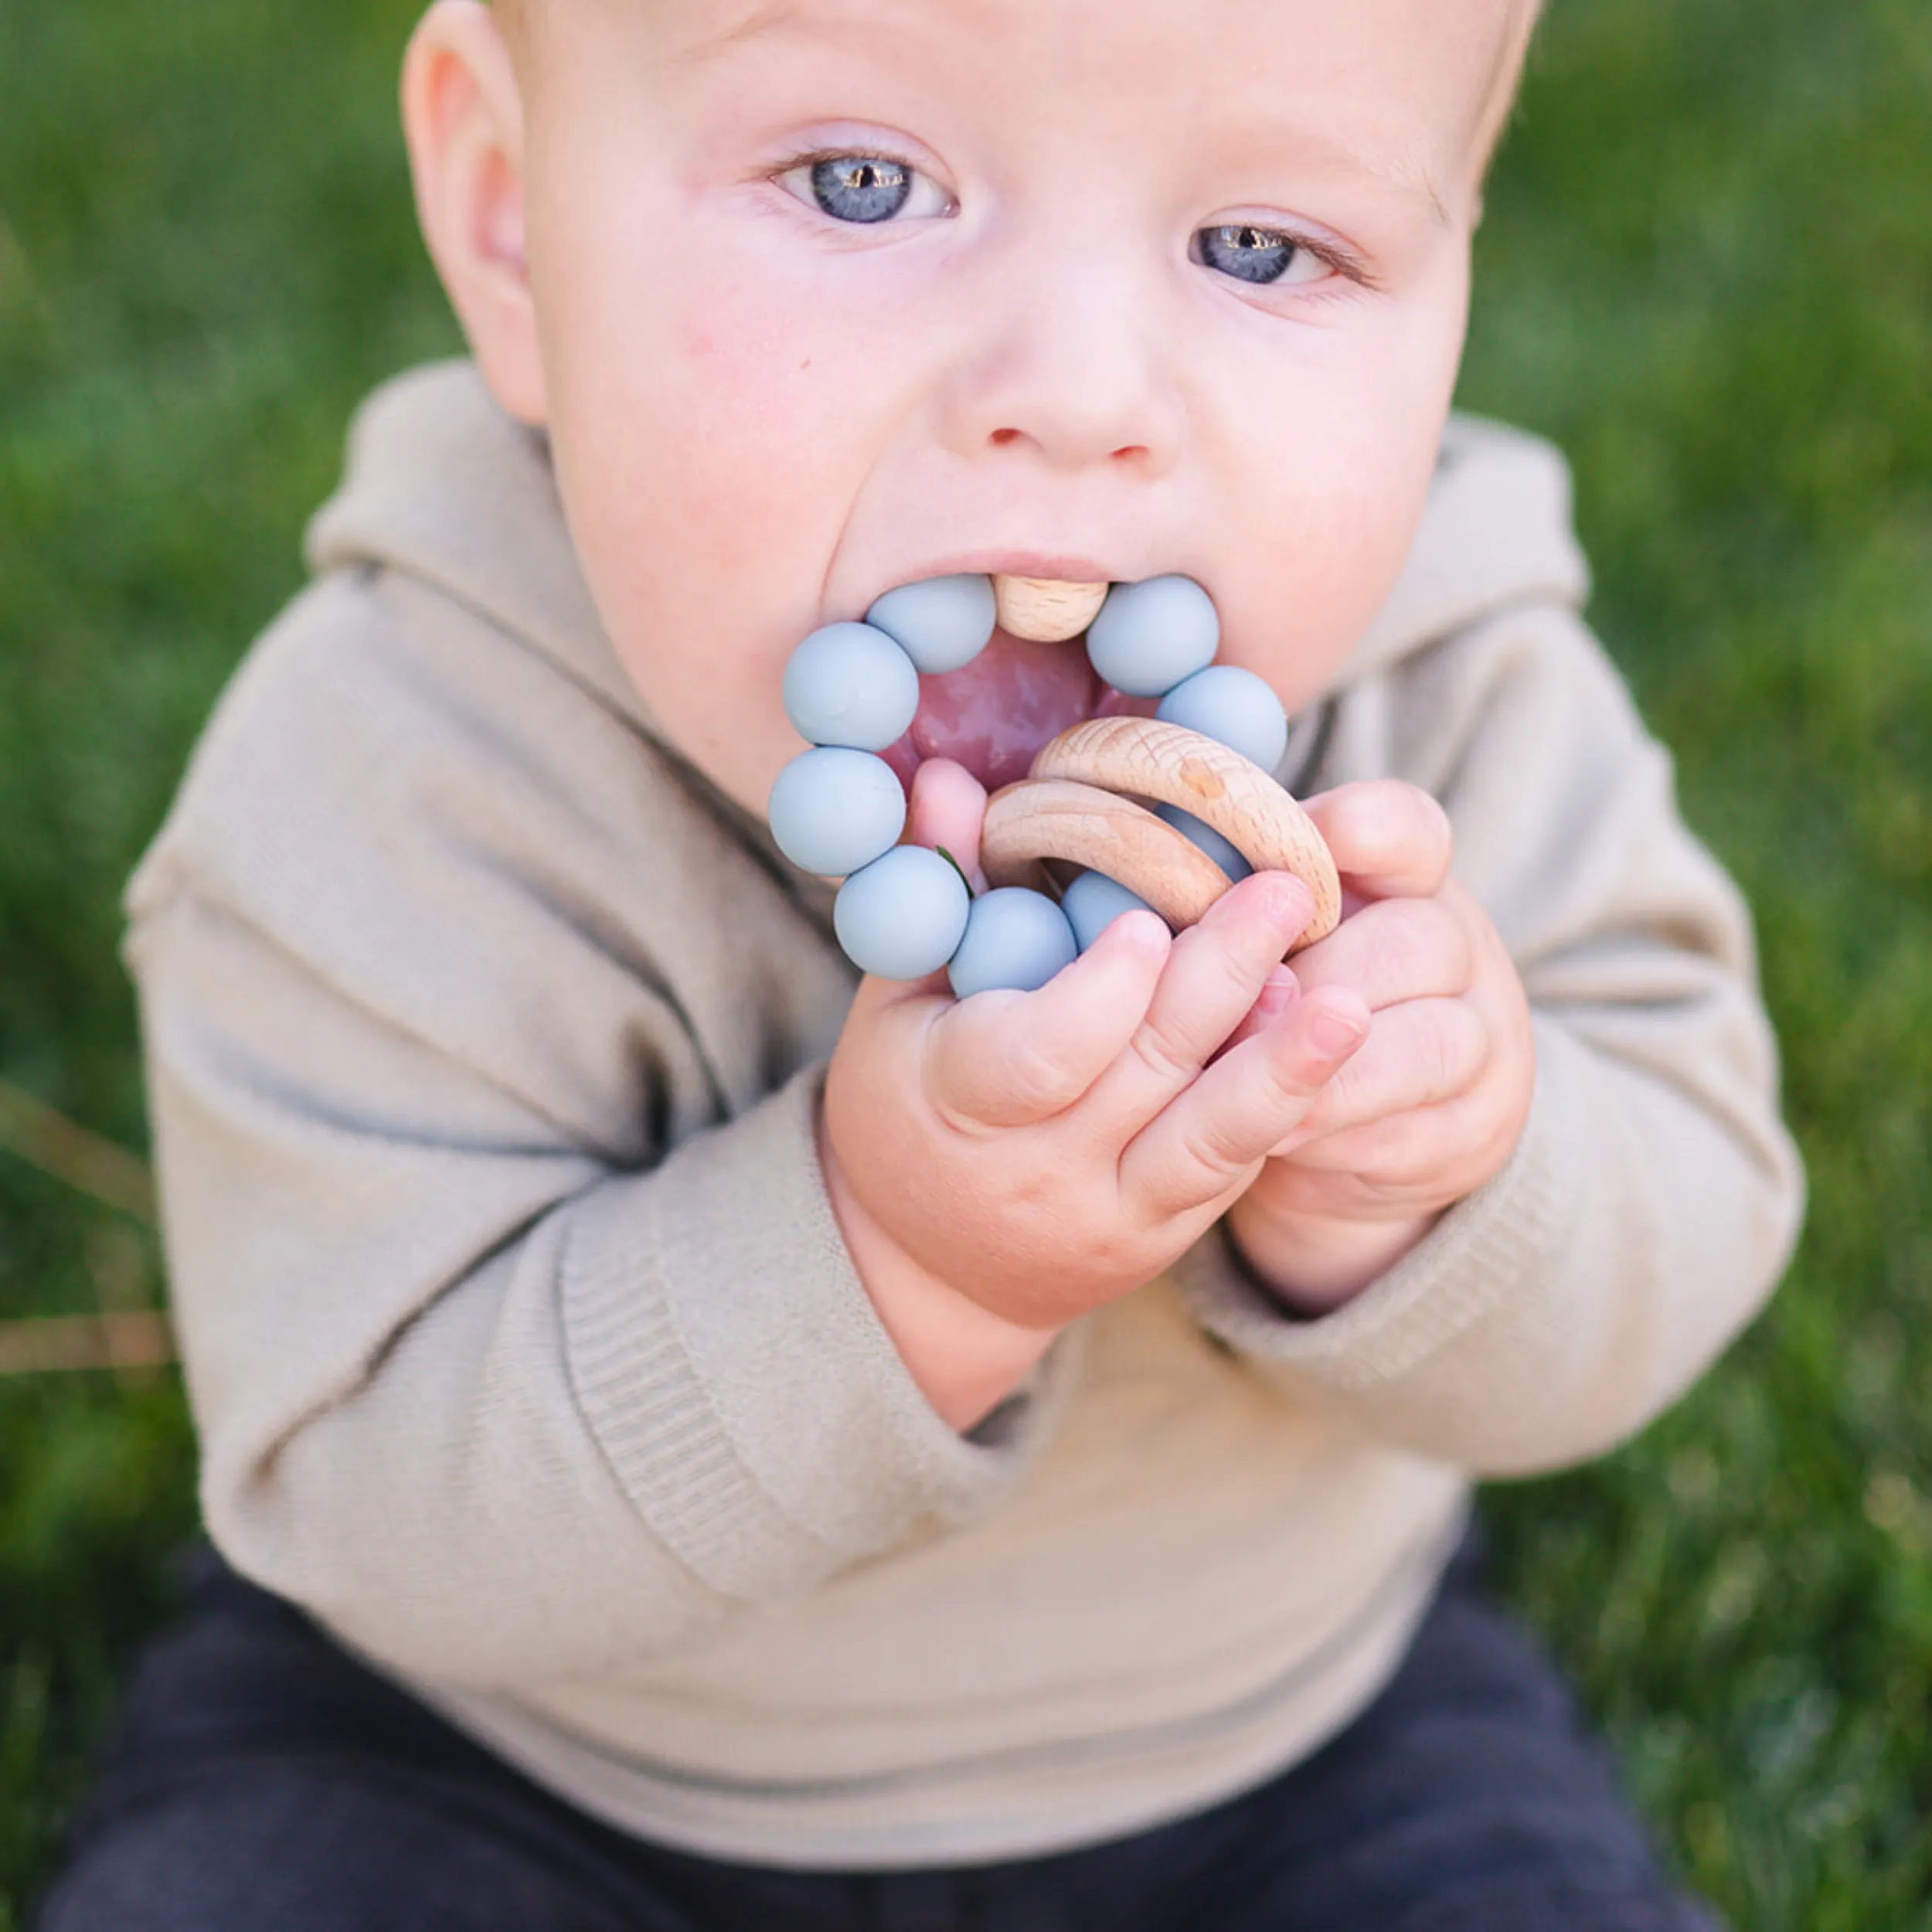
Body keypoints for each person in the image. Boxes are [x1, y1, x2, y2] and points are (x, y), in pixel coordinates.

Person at [39, 0, 1804, 1926]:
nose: (1072, 390)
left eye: (1259, 246)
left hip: (1294, 1741)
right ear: (512, 214)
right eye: (861, 184)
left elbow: (1686, 1213)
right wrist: (895, 1264)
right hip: (495, 1759)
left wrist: (1425, 1172)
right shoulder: (399, 762)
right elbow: (372, 1496)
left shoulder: (1444, 676)